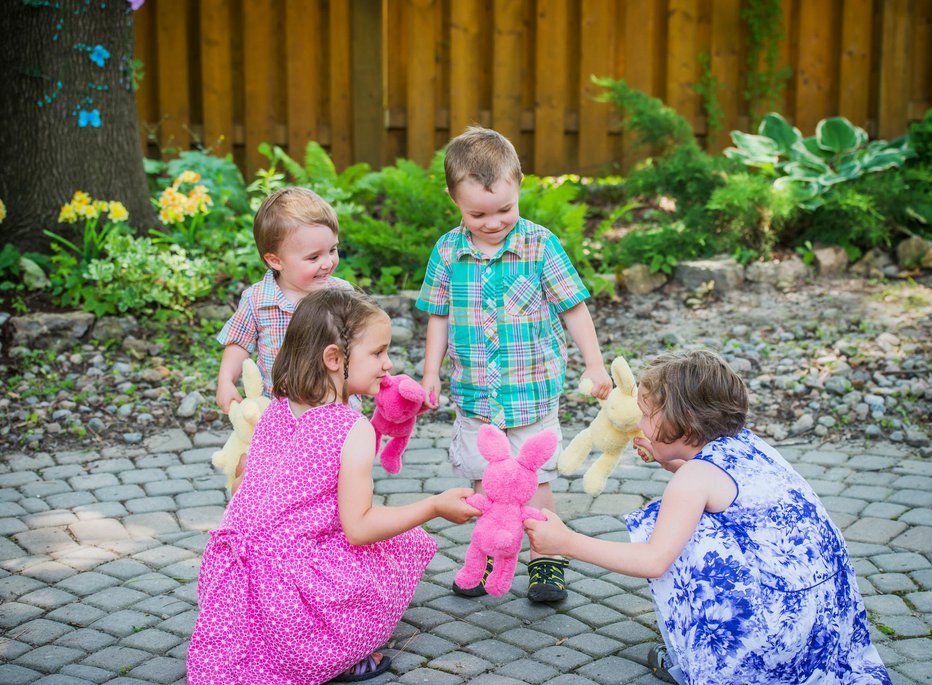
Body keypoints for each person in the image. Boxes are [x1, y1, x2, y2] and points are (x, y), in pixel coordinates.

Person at [525, 350, 892, 684]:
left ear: (682, 421)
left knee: (676, 532)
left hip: (774, 639)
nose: (640, 421)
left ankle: (709, 662)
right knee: (695, 518)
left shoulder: (692, 479)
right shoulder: (748, 444)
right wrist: (671, 458)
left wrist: (567, 543)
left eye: (647, 412)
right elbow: (712, 484)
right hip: (829, 626)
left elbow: (654, 560)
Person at [187, 289, 479, 684]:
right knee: (400, 544)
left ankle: (277, 642)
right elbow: (359, 528)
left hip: (230, 581)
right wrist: (434, 506)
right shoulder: (351, 429)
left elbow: (244, 487)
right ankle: (340, 650)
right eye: (377, 353)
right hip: (292, 600)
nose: (388, 364)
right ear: (334, 359)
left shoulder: (274, 409)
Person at [417, 126, 612, 603]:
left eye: (504, 209)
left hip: (531, 396)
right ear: (454, 199)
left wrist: (595, 364)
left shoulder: (540, 246)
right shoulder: (447, 251)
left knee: (535, 485)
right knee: (489, 487)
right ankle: (486, 557)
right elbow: (438, 318)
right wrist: (429, 372)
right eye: (477, 213)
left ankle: (546, 560)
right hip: (477, 397)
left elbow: (573, 308)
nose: (492, 222)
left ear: (520, 185)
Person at [215, 186, 352, 414]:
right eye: (314, 257)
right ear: (275, 261)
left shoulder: (343, 294)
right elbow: (239, 343)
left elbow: (363, 341)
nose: (327, 263)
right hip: (279, 411)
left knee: (342, 449)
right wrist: (226, 381)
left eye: (332, 250)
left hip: (336, 408)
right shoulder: (258, 300)